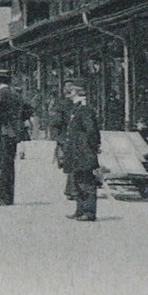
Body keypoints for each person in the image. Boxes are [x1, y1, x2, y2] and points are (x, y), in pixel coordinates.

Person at [0, 72, 33, 206]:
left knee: (0, 164)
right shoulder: (16, 95)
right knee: (9, 164)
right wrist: (17, 121)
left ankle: (0, 196)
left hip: (1, 133)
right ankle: (8, 197)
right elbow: (29, 109)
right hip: (13, 134)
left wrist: (3, 121)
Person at [58, 81, 100, 222]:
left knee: (87, 183)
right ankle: (80, 210)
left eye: (70, 89)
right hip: (77, 152)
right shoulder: (77, 109)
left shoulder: (85, 109)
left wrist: (90, 149)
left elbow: (92, 132)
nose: (67, 91)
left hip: (83, 152)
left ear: (76, 91)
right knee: (78, 181)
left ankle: (89, 212)